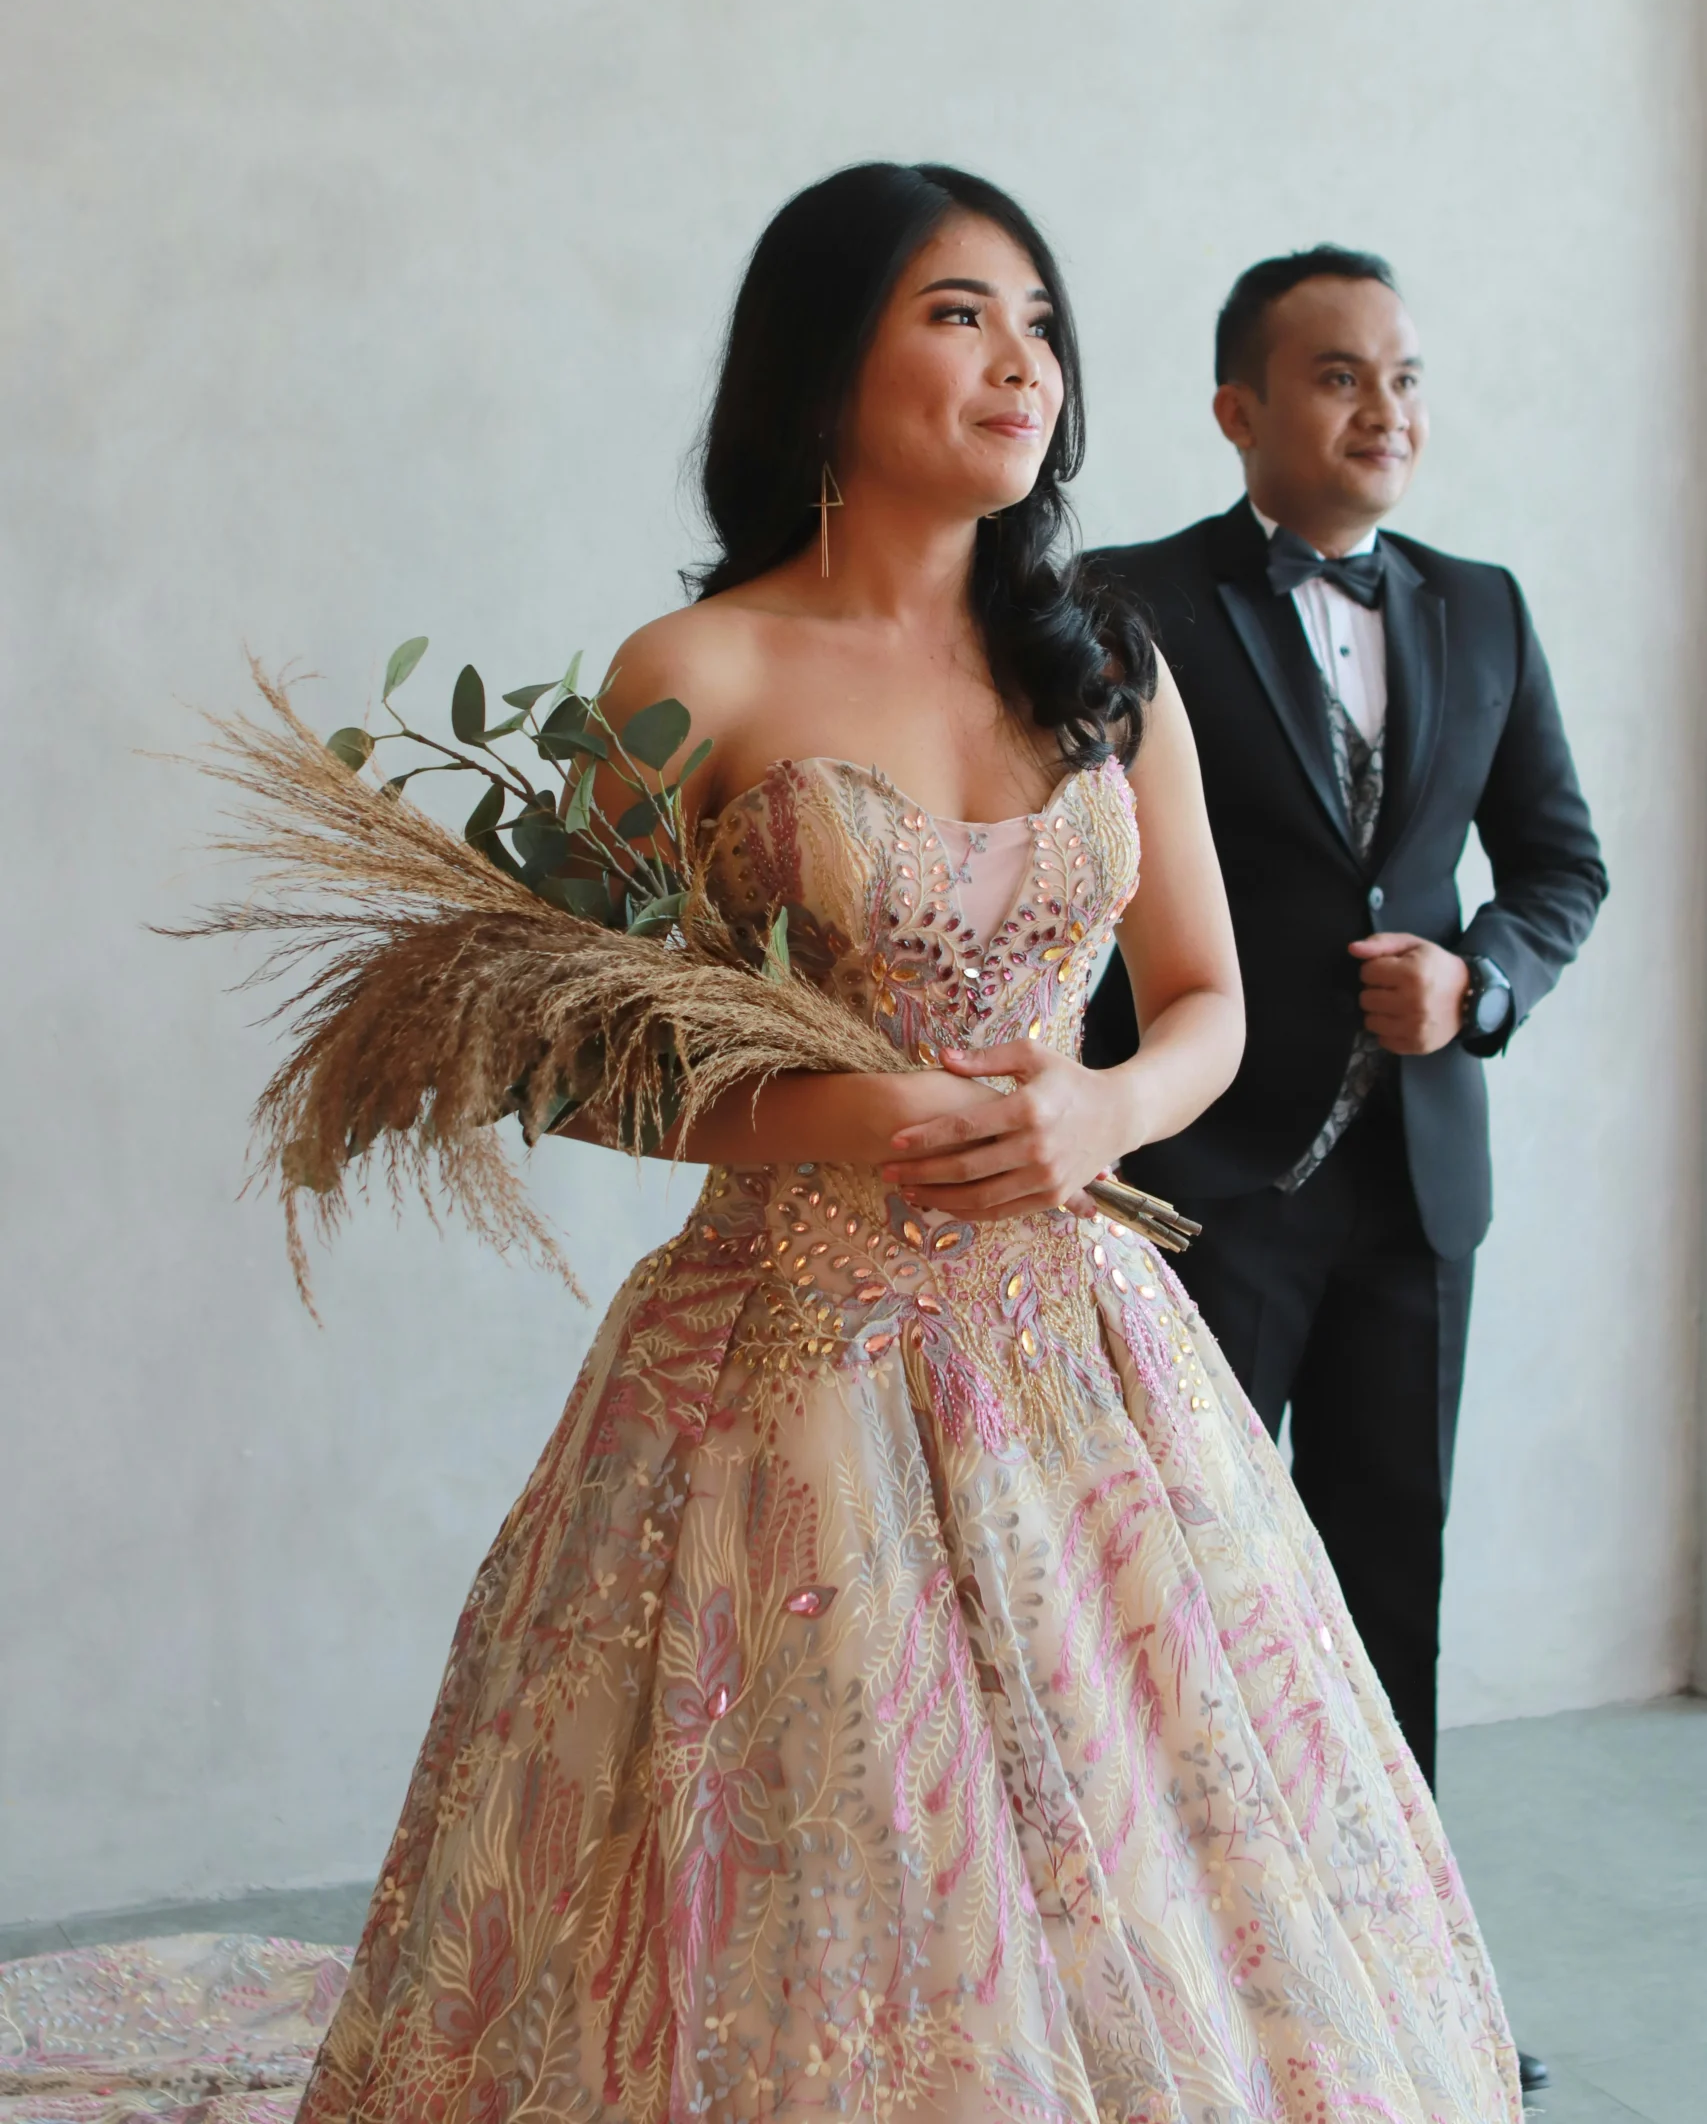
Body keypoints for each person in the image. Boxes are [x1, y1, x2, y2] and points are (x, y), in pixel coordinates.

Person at [300, 177, 1519, 2124]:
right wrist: (841, 1111)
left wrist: (1101, 1105)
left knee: (1131, 1839)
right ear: (819, 362)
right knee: (818, 1840)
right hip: (785, 1358)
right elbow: (564, 1046)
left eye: (1037, 315)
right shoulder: (694, 668)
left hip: (1080, 1337)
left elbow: (1204, 996)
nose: (1022, 355)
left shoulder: (1103, 663)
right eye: (959, 311)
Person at [1084, 245, 1606, 2098]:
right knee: (1191, 1605)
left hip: (1414, 1198)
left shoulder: (1481, 608)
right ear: (1235, 410)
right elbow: (1064, 862)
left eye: (1401, 374)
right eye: (1331, 376)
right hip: (1201, 1185)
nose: (1381, 408)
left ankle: (1411, 2001)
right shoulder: (1122, 601)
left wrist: (1480, 986)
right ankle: (1191, 2017)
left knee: (1392, 1589)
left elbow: (1559, 864)